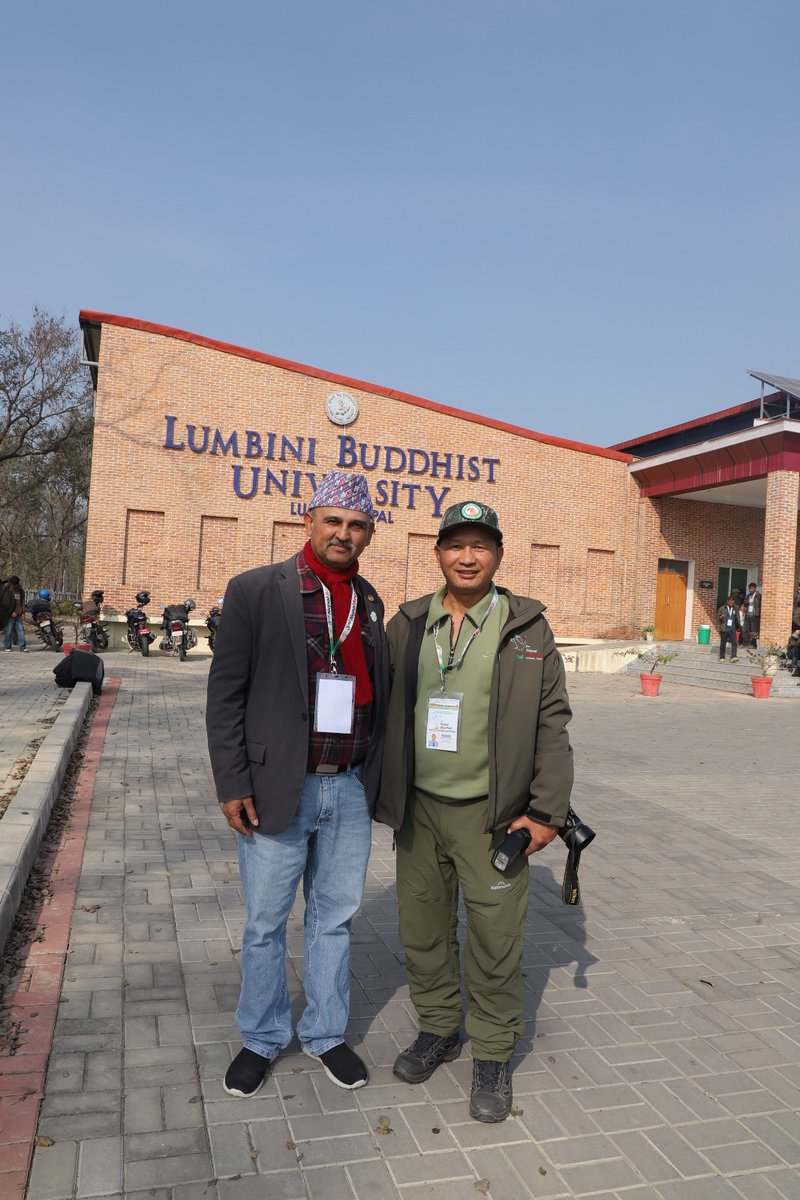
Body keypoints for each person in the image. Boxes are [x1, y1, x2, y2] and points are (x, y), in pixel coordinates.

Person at [376, 500, 574, 1124]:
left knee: (494, 942)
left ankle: (492, 1051)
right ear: (437, 553)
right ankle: (439, 1029)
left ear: (497, 555)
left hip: (494, 817)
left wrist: (546, 812)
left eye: (480, 546)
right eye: (455, 545)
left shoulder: (527, 627)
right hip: (419, 810)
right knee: (424, 933)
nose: (468, 557)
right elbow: (378, 709)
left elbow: (552, 723)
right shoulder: (407, 623)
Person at [206, 472, 389, 1099]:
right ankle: (260, 1037)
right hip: (277, 786)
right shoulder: (257, 590)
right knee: (264, 923)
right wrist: (232, 781)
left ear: (369, 533)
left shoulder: (368, 600)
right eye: (333, 520)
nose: (344, 533)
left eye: (357, 524)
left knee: (333, 920)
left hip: (350, 789)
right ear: (309, 522)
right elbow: (225, 695)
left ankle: (325, 1033)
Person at [3, 576, 28, 652]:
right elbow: (5, 603)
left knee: (20, 630)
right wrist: (11, 612)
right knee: (8, 630)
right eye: (14, 585)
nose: (15, 586)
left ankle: (23, 647)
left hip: (19, 614)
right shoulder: (7, 591)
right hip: (9, 614)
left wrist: (23, 611)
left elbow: (22, 601)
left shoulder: (21, 591)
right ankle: (7, 646)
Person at [717, 595, 740, 662]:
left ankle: (733, 656)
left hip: (732, 628)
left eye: (733, 602)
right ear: (727, 602)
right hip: (724, 629)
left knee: (734, 643)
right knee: (723, 643)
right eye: (730, 602)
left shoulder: (736, 608)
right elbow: (717, 618)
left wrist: (738, 626)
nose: (732, 603)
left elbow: (737, 617)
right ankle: (722, 657)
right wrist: (720, 618)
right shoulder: (722, 608)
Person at [741, 582, 761, 647]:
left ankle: (753, 644)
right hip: (748, 614)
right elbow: (744, 603)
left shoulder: (758, 595)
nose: (750, 590)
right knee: (745, 629)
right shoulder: (748, 595)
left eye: (752, 588)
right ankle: (745, 643)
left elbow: (760, 605)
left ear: (755, 588)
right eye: (749, 588)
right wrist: (745, 602)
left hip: (754, 614)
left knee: (754, 630)